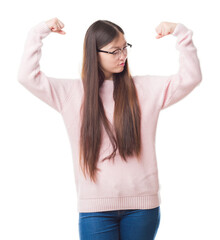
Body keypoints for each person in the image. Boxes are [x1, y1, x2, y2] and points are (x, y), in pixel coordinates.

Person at [17, 17, 202, 240]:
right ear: (94, 54)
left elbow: (191, 78)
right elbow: (27, 76)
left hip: (142, 208)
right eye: (114, 51)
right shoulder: (71, 93)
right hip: (95, 210)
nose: (123, 56)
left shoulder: (144, 89)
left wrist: (181, 33)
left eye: (125, 48)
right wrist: (40, 31)